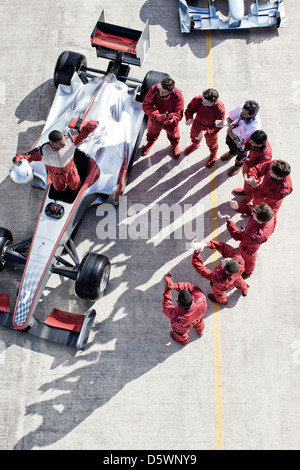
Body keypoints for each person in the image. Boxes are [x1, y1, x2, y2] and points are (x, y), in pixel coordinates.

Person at [13, 120, 99, 192]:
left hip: (71, 171)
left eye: (64, 142)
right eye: (61, 144)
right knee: (59, 189)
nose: (64, 145)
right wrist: (19, 159)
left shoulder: (70, 139)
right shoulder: (43, 151)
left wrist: (90, 127)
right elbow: (28, 156)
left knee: (76, 186)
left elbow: (83, 132)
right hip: (55, 175)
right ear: (52, 143)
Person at [225, 203, 276, 278]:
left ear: (260, 220)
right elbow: (251, 209)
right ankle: (241, 251)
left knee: (249, 256)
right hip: (249, 237)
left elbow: (237, 235)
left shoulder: (257, 235)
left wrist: (229, 221)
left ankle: (248, 271)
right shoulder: (268, 214)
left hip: (250, 246)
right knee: (243, 248)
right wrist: (239, 207)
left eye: (254, 215)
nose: (252, 213)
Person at [191, 239, 248, 304]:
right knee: (241, 283)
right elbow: (223, 246)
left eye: (222, 264)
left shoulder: (217, 277)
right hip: (237, 277)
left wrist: (196, 253)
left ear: (226, 271)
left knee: (219, 295)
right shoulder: (240, 261)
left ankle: (223, 301)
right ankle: (244, 290)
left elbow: (200, 268)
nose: (221, 261)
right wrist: (205, 244)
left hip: (222, 287)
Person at [142, 76, 184, 158]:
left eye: (164, 92)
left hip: (170, 121)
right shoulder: (154, 89)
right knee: (151, 133)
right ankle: (150, 143)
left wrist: (172, 118)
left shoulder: (178, 96)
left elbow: (179, 114)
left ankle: (175, 145)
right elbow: (146, 105)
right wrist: (157, 115)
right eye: (160, 90)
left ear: (171, 91)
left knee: (174, 135)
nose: (160, 93)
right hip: (155, 119)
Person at [183, 88, 225, 168]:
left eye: (205, 102)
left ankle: (213, 154)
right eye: (202, 100)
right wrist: (189, 118)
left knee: (212, 144)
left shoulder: (220, 110)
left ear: (213, 102)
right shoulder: (198, 99)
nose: (202, 103)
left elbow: (218, 127)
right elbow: (189, 109)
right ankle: (195, 145)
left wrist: (206, 132)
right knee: (194, 137)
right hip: (197, 124)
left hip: (210, 130)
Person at [163, 272, 207, 345]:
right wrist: (175, 286)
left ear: (177, 302)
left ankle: (183, 341)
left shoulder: (177, 317)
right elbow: (191, 287)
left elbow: (166, 306)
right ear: (192, 298)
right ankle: (200, 332)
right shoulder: (201, 299)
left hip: (183, 325)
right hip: (197, 317)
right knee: (199, 323)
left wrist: (167, 290)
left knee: (180, 333)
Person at [220, 100, 261, 176]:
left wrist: (230, 132)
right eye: (242, 111)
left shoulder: (254, 127)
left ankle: (238, 166)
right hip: (233, 132)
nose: (241, 114)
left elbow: (241, 142)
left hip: (242, 143)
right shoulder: (241, 108)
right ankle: (232, 153)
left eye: (245, 114)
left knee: (241, 155)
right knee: (230, 144)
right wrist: (222, 123)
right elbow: (230, 119)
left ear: (252, 115)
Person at [233, 130, 272, 203]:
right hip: (249, 164)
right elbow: (248, 145)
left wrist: (251, 177)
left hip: (254, 173)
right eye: (250, 141)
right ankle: (245, 191)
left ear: (259, 145)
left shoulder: (266, 156)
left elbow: (259, 169)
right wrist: (242, 145)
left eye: (252, 143)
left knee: (250, 187)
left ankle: (247, 200)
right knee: (246, 182)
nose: (250, 142)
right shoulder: (255, 140)